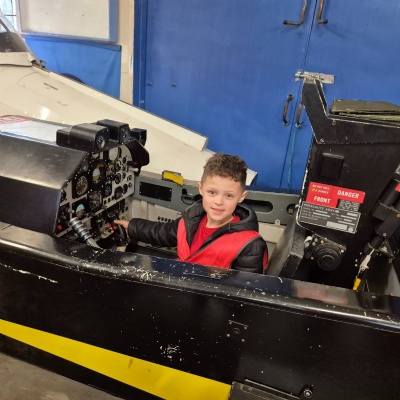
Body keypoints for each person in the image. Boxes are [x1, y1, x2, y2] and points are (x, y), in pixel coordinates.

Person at [114, 153, 268, 273]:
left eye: (229, 196)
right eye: (212, 192)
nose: (219, 202)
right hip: (182, 282)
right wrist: (131, 227)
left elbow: (246, 291)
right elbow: (163, 232)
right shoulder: (192, 219)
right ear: (201, 189)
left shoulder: (249, 246)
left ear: (241, 197)